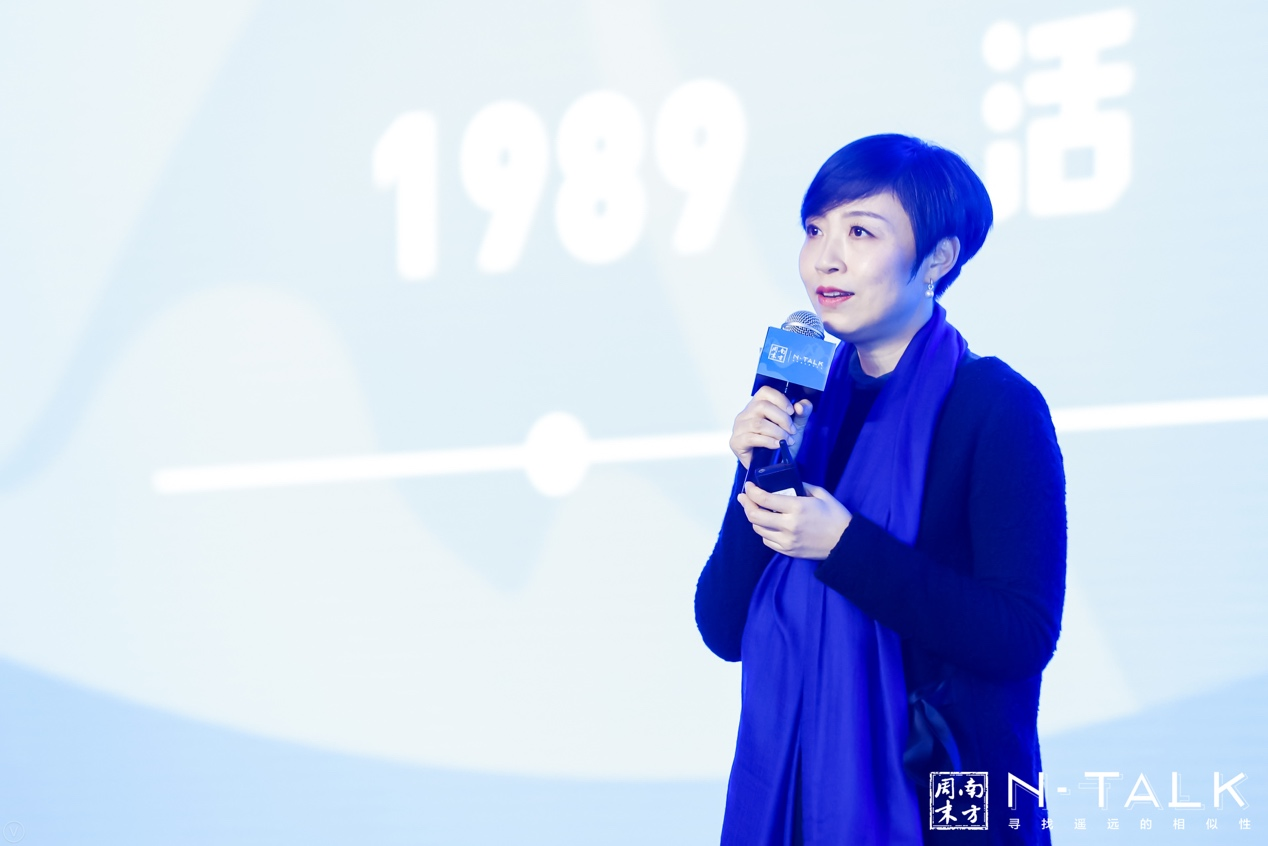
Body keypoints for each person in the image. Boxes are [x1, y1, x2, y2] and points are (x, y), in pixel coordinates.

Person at [694, 134, 1066, 845]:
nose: (825, 258)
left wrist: (844, 547)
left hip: (945, 807)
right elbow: (724, 627)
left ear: (938, 259)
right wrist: (759, 464)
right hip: (799, 802)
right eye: (814, 230)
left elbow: (1021, 636)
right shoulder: (802, 397)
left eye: (860, 232)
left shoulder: (996, 406)